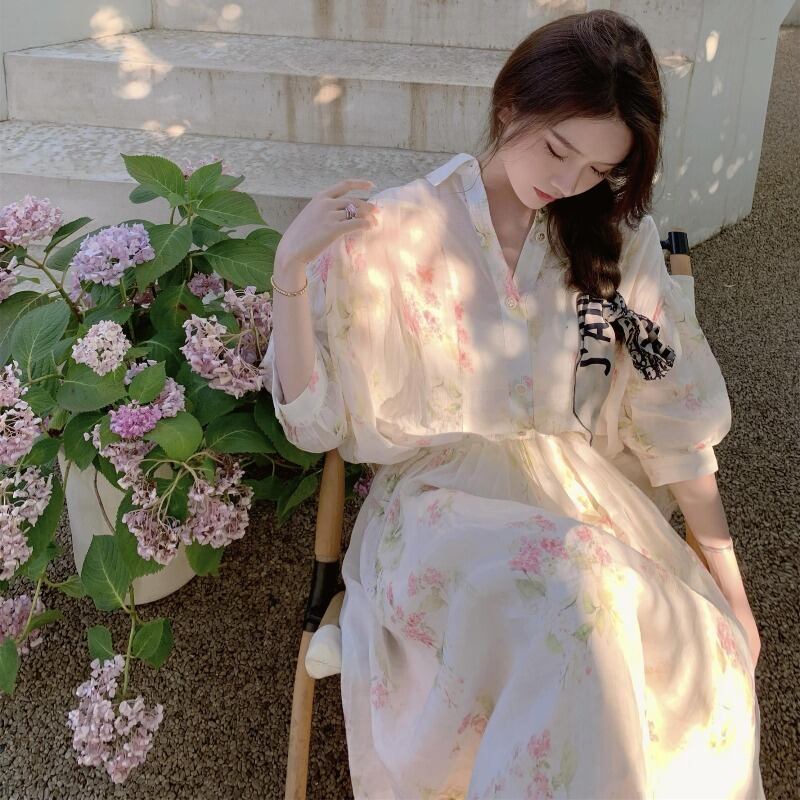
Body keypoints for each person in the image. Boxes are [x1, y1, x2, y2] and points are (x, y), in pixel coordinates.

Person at [263, 9, 764, 798]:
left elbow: (675, 412)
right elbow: (313, 423)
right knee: (581, 597)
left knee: (675, 646)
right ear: (509, 105)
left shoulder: (616, 244)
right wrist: (290, 272)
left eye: (598, 168)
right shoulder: (390, 232)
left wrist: (731, 588)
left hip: (581, 503)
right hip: (434, 512)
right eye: (558, 148)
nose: (568, 181)